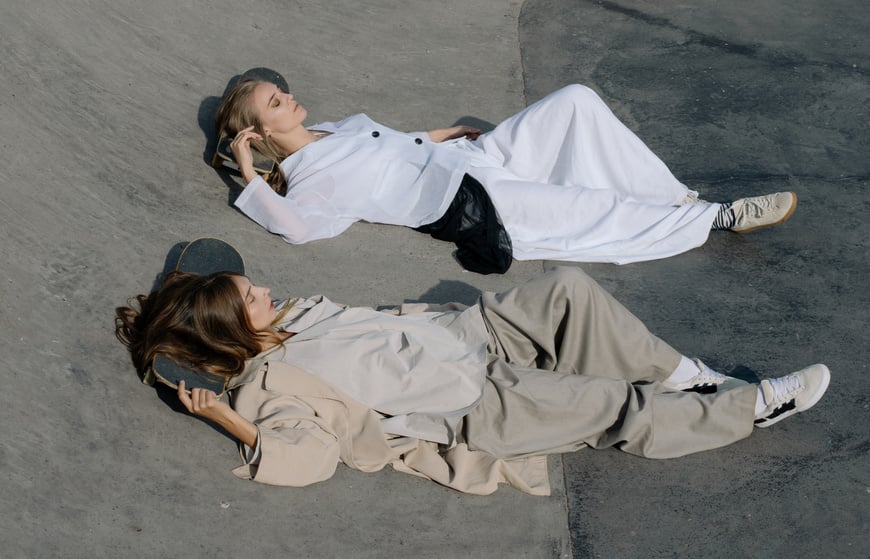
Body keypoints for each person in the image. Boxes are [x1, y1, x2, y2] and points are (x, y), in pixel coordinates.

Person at [115, 266, 829, 495]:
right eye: (250, 297)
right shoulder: (270, 387)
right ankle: (744, 410)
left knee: (569, 291)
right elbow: (309, 456)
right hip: (471, 401)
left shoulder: (298, 316)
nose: (265, 289)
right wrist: (228, 422)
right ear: (227, 331)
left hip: (468, 339)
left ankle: (696, 379)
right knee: (615, 407)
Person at [214, 78, 797, 273]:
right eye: (274, 103)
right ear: (259, 134)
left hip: (471, 159)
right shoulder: (313, 181)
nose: (288, 98)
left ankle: (674, 196)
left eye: (280, 91)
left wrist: (445, 131)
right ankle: (717, 217)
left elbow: (393, 144)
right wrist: (249, 174)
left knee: (576, 101)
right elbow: (295, 227)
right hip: (467, 200)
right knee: (584, 206)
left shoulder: (335, 128)